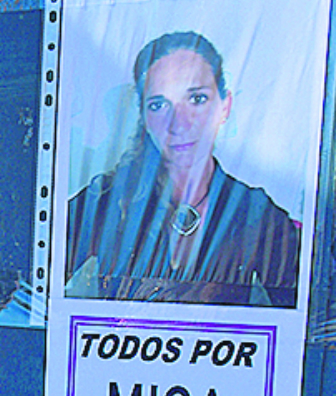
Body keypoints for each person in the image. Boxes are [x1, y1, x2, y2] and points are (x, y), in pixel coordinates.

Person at [65, 31, 301, 307]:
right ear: (142, 115)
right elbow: (28, 287)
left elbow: (307, 321)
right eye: (159, 105)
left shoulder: (254, 213)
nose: (179, 123)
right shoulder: (107, 200)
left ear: (225, 105)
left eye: (197, 99)